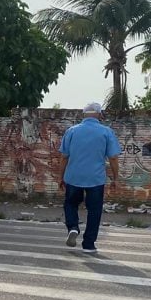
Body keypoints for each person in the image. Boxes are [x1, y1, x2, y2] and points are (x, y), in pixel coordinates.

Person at [58, 102, 121, 254]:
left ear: (84, 114)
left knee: (71, 204)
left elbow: (64, 157)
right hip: (96, 179)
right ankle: (89, 244)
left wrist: (61, 177)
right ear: (99, 114)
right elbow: (113, 158)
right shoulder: (106, 132)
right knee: (94, 210)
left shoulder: (72, 131)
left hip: (73, 177)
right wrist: (115, 179)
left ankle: (73, 227)